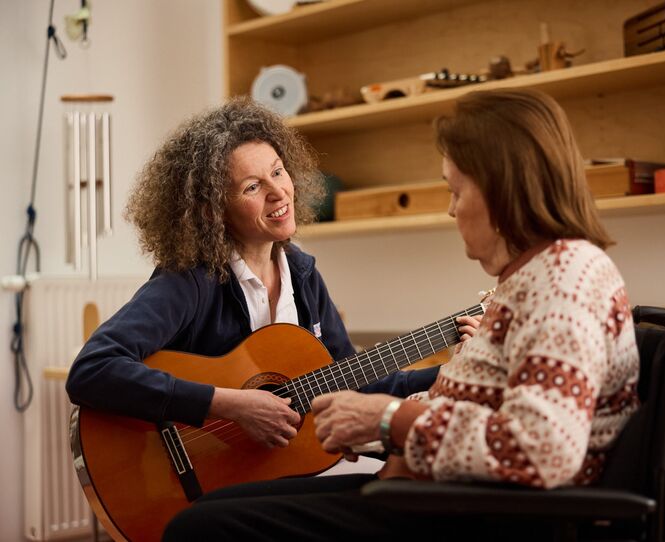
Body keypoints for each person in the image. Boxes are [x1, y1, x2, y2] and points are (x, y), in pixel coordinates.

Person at [162, 88, 640, 541]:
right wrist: (373, 426)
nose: (452, 211)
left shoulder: (563, 280)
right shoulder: (535, 277)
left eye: (456, 191)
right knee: (205, 513)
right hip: (431, 495)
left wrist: (389, 418)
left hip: (467, 516)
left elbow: (543, 449)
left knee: (200, 530)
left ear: (501, 190)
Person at [65, 98, 465, 453]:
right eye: (253, 186)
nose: (278, 193)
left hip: (267, 474)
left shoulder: (303, 276)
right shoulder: (189, 282)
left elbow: (350, 383)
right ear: (211, 211)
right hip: (197, 478)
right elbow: (92, 369)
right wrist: (227, 404)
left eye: (278, 172)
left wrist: (449, 372)